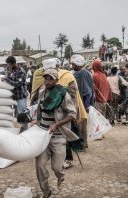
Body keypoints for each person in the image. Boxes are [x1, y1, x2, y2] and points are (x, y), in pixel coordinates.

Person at [34, 68, 77, 198]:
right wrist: (36, 121)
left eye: (50, 78)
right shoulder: (42, 93)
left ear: (56, 80)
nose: (47, 81)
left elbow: (72, 115)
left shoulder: (63, 94)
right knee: (40, 166)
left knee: (57, 168)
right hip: (43, 135)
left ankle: (60, 177)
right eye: (46, 78)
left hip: (58, 136)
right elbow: (39, 111)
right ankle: (46, 191)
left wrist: (56, 125)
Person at [71, 54, 93, 148]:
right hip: (76, 102)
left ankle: (82, 143)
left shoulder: (84, 74)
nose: (72, 66)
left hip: (82, 103)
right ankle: (81, 143)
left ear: (77, 64)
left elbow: (87, 91)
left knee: (81, 123)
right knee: (78, 123)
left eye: (73, 64)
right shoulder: (75, 73)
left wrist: (87, 105)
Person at [2, 56, 28, 132]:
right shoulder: (13, 71)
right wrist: (8, 76)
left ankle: (25, 130)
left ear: (13, 63)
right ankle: (22, 128)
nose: (8, 66)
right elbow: (12, 80)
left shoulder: (21, 71)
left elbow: (17, 84)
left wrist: (6, 79)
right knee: (17, 115)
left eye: (9, 64)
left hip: (21, 96)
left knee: (22, 114)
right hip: (15, 97)